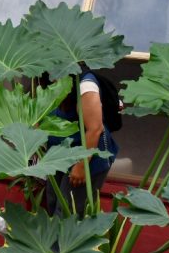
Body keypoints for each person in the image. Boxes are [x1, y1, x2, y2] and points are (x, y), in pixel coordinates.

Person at [44, 65, 119, 217]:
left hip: (86, 155)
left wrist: (82, 165)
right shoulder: (47, 75)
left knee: (67, 212)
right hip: (58, 152)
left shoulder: (85, 85)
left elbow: (95, 129)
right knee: (52, 203)